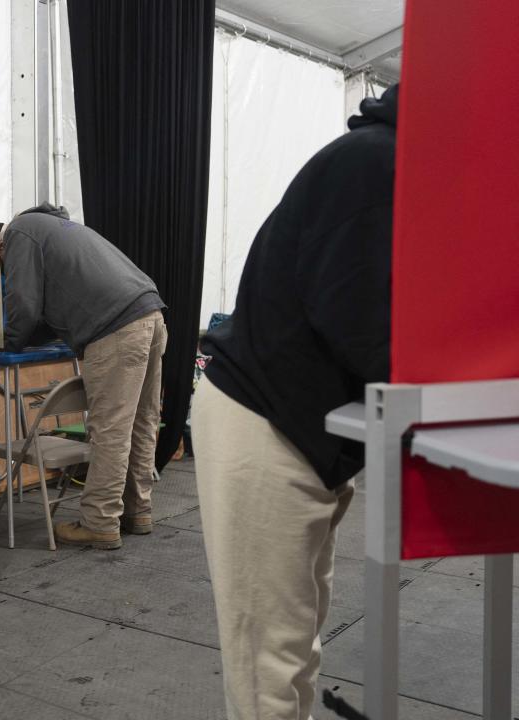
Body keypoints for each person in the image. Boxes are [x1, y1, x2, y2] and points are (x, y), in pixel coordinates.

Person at [193, 84, 398, 719]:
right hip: (266, 424)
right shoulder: (373, 162)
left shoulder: (383, 161)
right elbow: (358, 314)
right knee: (268, 671)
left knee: (294, 647)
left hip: (305, 433)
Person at [0, 205, 167, 549]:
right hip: (151, 315)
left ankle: (100, 522)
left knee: (110, 430)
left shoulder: (18, 232)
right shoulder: (60, 228)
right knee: (141, 422)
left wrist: (8, 342)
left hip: (115, 329)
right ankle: (138, 511)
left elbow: (24, 302)